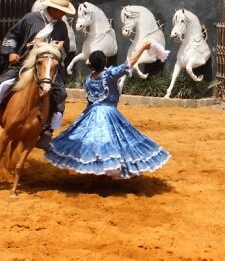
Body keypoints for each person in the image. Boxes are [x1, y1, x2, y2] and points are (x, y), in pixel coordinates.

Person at [45, 41, 171, 179]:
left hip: (91, 112)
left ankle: (91, 176)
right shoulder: (110, 74)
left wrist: (84, 117)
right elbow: (130, 63)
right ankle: (110, 170)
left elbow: (90, 101)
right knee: (116, 141)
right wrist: (143, 47)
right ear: (105, 61)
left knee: (92, 142)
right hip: (109, 112)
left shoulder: (87, 79)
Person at [0, 0, 75, 149]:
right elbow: (12, 35)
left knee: (61, 94)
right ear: (52, 8)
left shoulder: (61, 26)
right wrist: (11, 52)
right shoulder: (31, 18)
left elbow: (65, 48)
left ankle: (48, 131)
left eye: (64, 11)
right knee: (4, 83)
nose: (62, 14)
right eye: (61, 10)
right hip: (24, 64)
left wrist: (55, 55)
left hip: (47, 68)